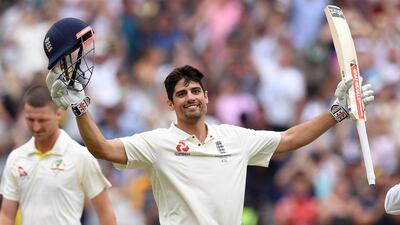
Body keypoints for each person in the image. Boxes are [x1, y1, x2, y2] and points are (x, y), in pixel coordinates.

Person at [43, 18, 375, 225]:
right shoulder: (157, 142)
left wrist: (338, 113)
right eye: (182, 93)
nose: (190, 97)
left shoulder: (234, 137)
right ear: (170, 103)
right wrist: (79, 107)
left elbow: (288, 140)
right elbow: (101, 148)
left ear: (207, 98)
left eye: (196, 91)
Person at [0, 86, 116, 225]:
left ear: (59, 114)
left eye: (42, 120)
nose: (36, 127)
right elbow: (7, 216)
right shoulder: (16, 158)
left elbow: (105, 212)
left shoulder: (80, 155)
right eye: (30, 119)